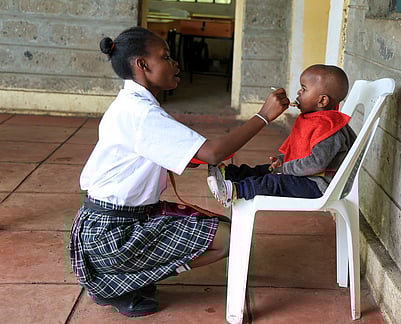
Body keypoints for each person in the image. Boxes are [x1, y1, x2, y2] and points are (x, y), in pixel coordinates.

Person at [69, 26, 289, 318]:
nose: (175, 64)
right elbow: (211, 151)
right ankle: (117, 283)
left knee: (216, 225)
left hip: (107, 222)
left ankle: (124, 277)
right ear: (142, 65)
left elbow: (187, 152)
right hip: (113, 234)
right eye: (166, 57)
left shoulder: (132, 104)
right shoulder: (142, 114)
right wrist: (263, 116)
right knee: (226, 238)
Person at [207, 64, 356, 207]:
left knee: (274, 182)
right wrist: (282, 161)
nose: (298, 92)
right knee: (268, 169)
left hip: (320, 185)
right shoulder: (316, 120)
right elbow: (305, 153)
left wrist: (286, 168)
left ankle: (235, 191)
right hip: (310, 177)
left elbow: (316, 163)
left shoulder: (330, 130)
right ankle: (230, 174)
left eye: (304, 89)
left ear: (322, 100)